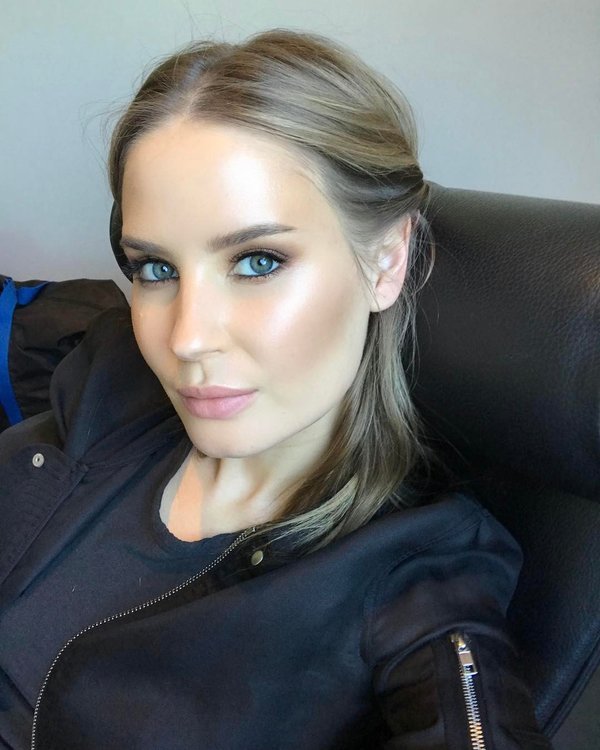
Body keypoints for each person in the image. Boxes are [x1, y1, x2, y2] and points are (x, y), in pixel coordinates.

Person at [0, 28, 552, 750]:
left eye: (258, 261)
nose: (187, 338)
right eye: (157, 269)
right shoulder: (112, 377)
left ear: (386, 261)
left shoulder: (417, 575)